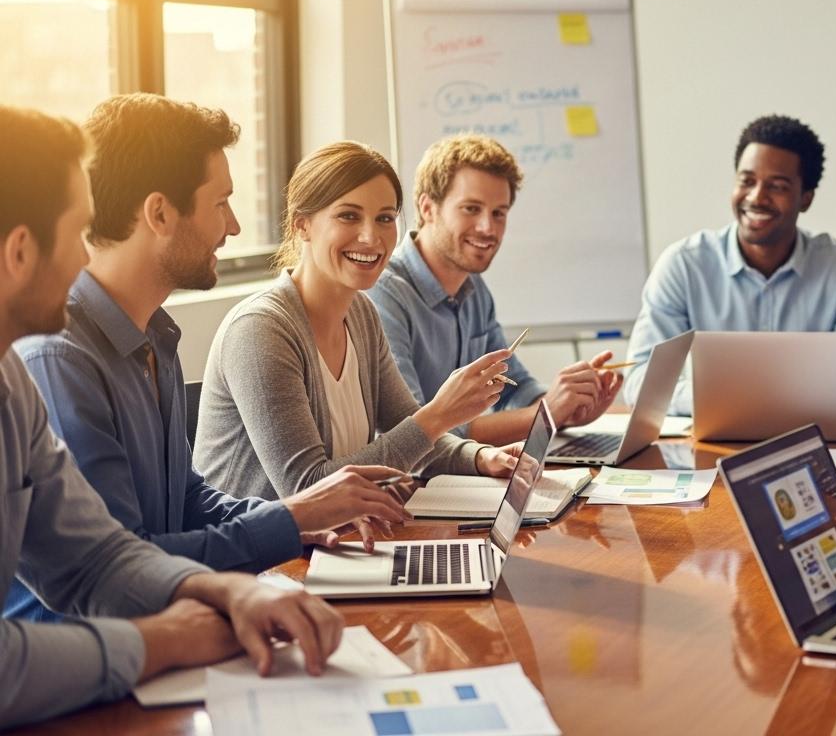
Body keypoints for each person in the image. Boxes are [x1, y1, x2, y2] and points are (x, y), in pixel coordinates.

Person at [0, 104, 348, 728]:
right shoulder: (50, 358)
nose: (87, 260)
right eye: (78, 234)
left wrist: (226, 589)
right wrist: (170, 638)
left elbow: (98, 559)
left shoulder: (10, 383)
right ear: (19, 252)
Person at [195, 142, 521, 501]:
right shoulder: (261, 330)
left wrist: (481, 457)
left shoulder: (361, 315)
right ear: (302, 225)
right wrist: (438, 415)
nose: (371, 237)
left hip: (340, 539)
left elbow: (408, 431)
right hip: (263, 555)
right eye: (349, 216)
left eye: (384, 218)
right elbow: (306, 488)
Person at [623, 114, 836, 415]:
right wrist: (730, 399)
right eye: (746, 181)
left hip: (809, 440)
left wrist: (783, 403)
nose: (756, 197)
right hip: (707, 446)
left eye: (777, 186)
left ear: (806, 199)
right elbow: (640, 379)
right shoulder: (684, 265)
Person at [369, 134, 619, 444]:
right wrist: (544, 414)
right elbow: (413, 433)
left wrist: (571, 406)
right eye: (471, 209)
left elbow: (514, 388)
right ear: (428, 208)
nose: (488, 228)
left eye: (499, 213)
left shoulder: (474, 289)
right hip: (411, 485)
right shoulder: (383, 295)